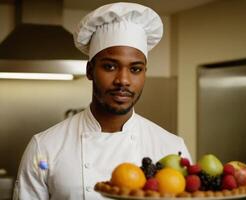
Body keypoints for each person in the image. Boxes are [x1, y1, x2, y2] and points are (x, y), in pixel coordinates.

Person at [13, 2, 191, 200]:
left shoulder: (171, 147)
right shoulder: (45, 147)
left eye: (135, 69)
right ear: (90, 71)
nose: (123, 80)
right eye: (110, 66)